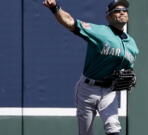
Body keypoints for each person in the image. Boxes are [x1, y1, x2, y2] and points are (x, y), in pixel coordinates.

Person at [43, 0, 139, 135]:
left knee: (113, 128)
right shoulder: (99, 31)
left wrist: (129, 74)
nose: (122, 12)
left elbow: (127, 69)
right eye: (117, 10)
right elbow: (70, 22)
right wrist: (55, 7)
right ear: (109, 16)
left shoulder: (132, 45)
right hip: (88, 89)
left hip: (109, 91)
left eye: (125, 10)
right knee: (85, 132)